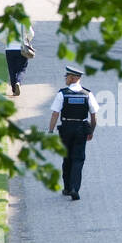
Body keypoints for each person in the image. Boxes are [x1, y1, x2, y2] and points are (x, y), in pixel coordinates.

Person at [47, 65, 98, 201]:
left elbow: (55, 114)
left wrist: (51, 131)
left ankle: (68, 188)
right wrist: (91, 131)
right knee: (78, 159)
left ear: (73, 78)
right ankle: (75, 188)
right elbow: (93, 116)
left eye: (67, 77)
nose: (66, 79)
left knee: (67, 158)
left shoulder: (62, 94)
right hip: (81, 128)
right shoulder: (87, 94)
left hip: (66, 128)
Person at [1, 8, 35, 96]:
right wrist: (27, 40)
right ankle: (18, 82)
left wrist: (7, 42)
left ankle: (13, 89)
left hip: (9, 49)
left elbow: (1, 36)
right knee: (22, 68)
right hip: (22, 48)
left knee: (11, 70)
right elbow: (31, 34)